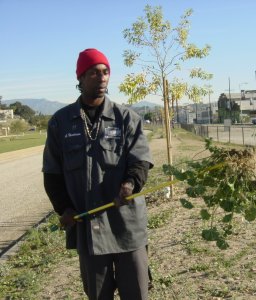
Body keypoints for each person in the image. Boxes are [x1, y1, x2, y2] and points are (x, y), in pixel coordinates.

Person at [42, 48, 153, 299]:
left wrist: (130, 184)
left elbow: (140, 161)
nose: (102, 78)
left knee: (136, 293)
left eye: (106, 72)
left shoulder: (127, 119)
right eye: (94, 72)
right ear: (80, 78)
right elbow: (52, 173)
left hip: (127, 226)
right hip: (89, 230)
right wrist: (63, 208)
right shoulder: (61, 122)